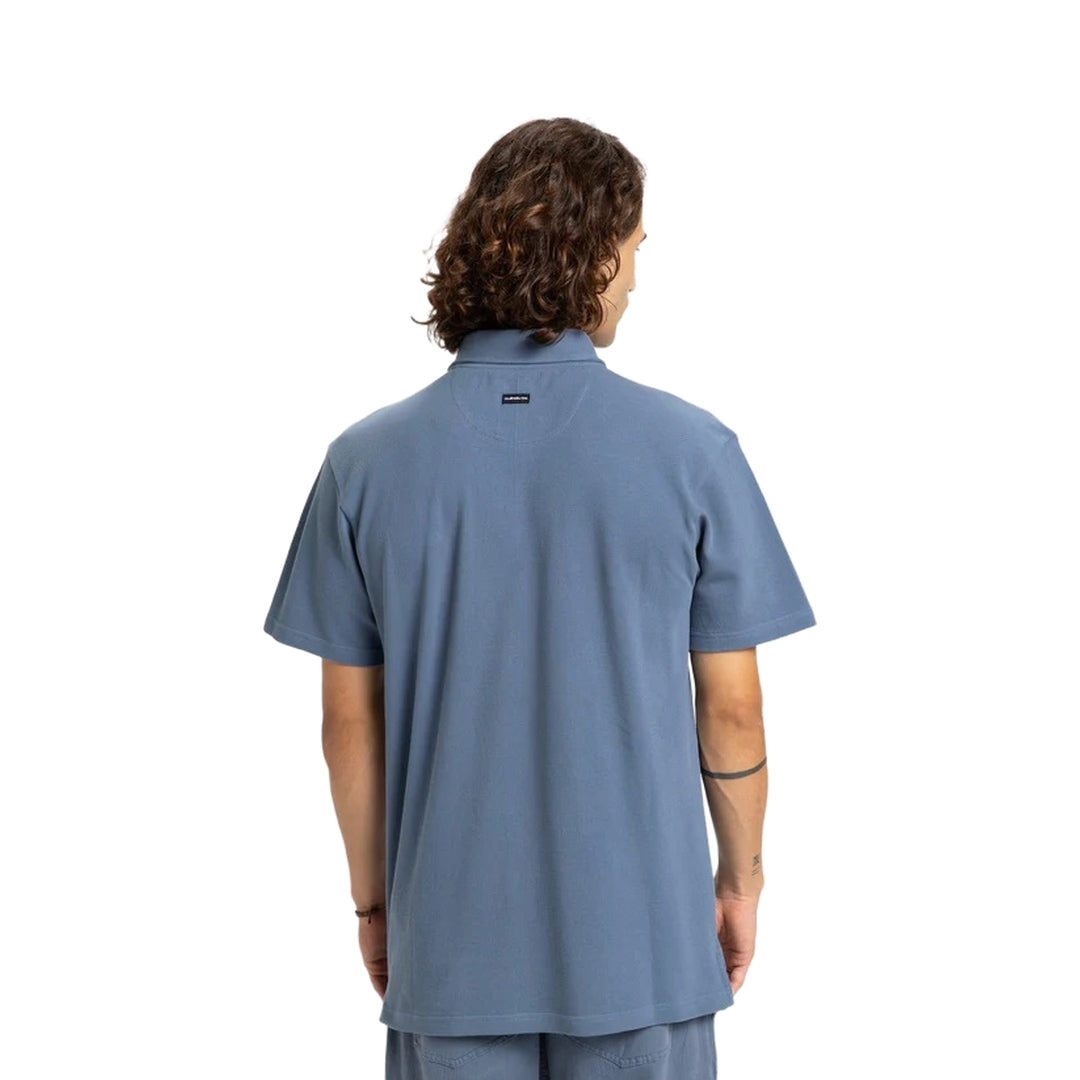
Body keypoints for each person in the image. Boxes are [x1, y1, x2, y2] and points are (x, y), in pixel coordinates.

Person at [262, 117, 816, 1080]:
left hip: (450, 954)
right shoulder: (695, 452)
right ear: (593, 253)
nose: (636, 277)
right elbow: (732, 709)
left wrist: (376, 906)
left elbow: (348, 722)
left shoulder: (363, 464)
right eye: (634, 248)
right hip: (646, 952)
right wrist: (741, 882)